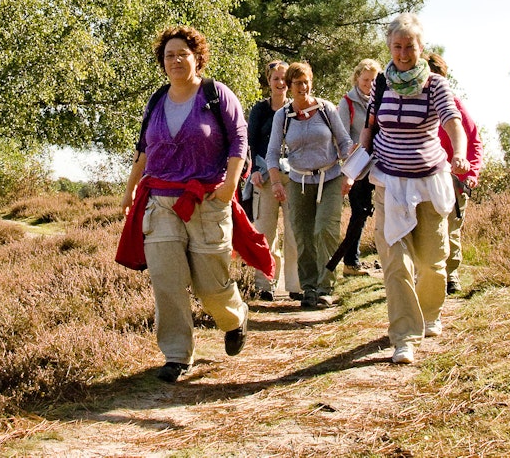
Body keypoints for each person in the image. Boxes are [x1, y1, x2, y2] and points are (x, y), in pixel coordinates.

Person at [118, 26, 261, 383]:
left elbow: (239, 139)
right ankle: (177, 355)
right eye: (169, 55)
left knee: (210, 286)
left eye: (183, 53)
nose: (176, 60)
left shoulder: (216, 94)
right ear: (162, 63)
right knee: (167, 282)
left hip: (208, 201)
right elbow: (143, 150)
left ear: (197, 58)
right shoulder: (156, 101)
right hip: (161, 204)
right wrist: (129, 191)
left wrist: (231, 183)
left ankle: (234, 317)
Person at [346, 13, 472, 364]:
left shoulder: (435, 85)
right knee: (396, 264)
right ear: (389, 47)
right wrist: (357, 161)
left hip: (430, 184)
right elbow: (371, 127)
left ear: (421, 47)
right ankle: (404, 337)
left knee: (434, 264)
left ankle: (430, 312)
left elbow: (453, 123)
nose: (403, 53)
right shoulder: (382, 84)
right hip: (390, 183)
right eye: (397, 47)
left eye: (409, 47)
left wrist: (459, 153)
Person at [264, 62, 354, 310]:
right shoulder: (282, 116)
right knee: (302, 235)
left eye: (306, 82)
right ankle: (310, 287)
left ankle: (326, 287)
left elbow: (344, 142)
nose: (302, 87)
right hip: (298, 180)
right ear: (289, 86)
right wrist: (275, 183)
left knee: (325, 229)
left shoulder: (326, 110)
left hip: (331, 177)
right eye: (297, 83)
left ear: (311, 82)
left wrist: (351, 172)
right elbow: (272, 153)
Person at [425, 53, 484, 295]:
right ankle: (428, 273)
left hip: (454, 176)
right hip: (424, 175)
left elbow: (474, 140)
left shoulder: (454, 104)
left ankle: (451, 274)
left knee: (451, 226)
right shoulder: (412, 104)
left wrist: (472, 172)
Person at [246, 60, 299, 301]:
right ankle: (264, 284)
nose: (280, 83)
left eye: (284, 78)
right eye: (276, 78)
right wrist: (255, 170)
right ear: (268, 81)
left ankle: (296, 285)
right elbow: (252, 143)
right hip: (265, 177)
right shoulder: (259, 110)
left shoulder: (297, 107)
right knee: (265, 231)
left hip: (294, 177)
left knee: (294, 231)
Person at [333, 58, 382, 276]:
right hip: (358, 165)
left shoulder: (382, 99)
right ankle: (350, 263)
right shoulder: (347, 102)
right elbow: (341, 134)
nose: (369, 84)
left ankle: (387, 257)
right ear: (357, 79)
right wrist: (350, 154)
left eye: (373, 80)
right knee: (360, 212)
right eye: (365, 80)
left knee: (384, 210)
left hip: (381, 163)